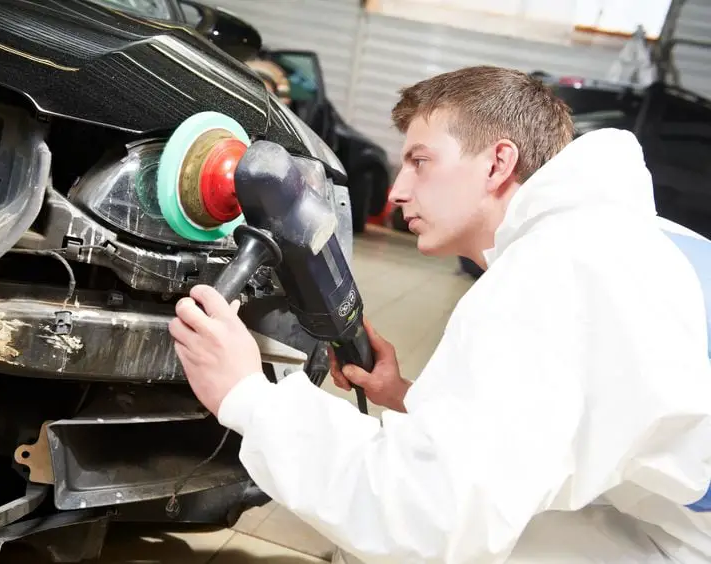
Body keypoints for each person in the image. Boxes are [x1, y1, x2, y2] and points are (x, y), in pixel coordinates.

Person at [168, 65, 711, 563]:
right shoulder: (621, 236)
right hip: (671, 516)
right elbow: (563, 422)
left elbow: (427, 515)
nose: (398, 191)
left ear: (498, 163)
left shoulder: (551, 273)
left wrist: (247, 395)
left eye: (420, 162)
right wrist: (405, 395)